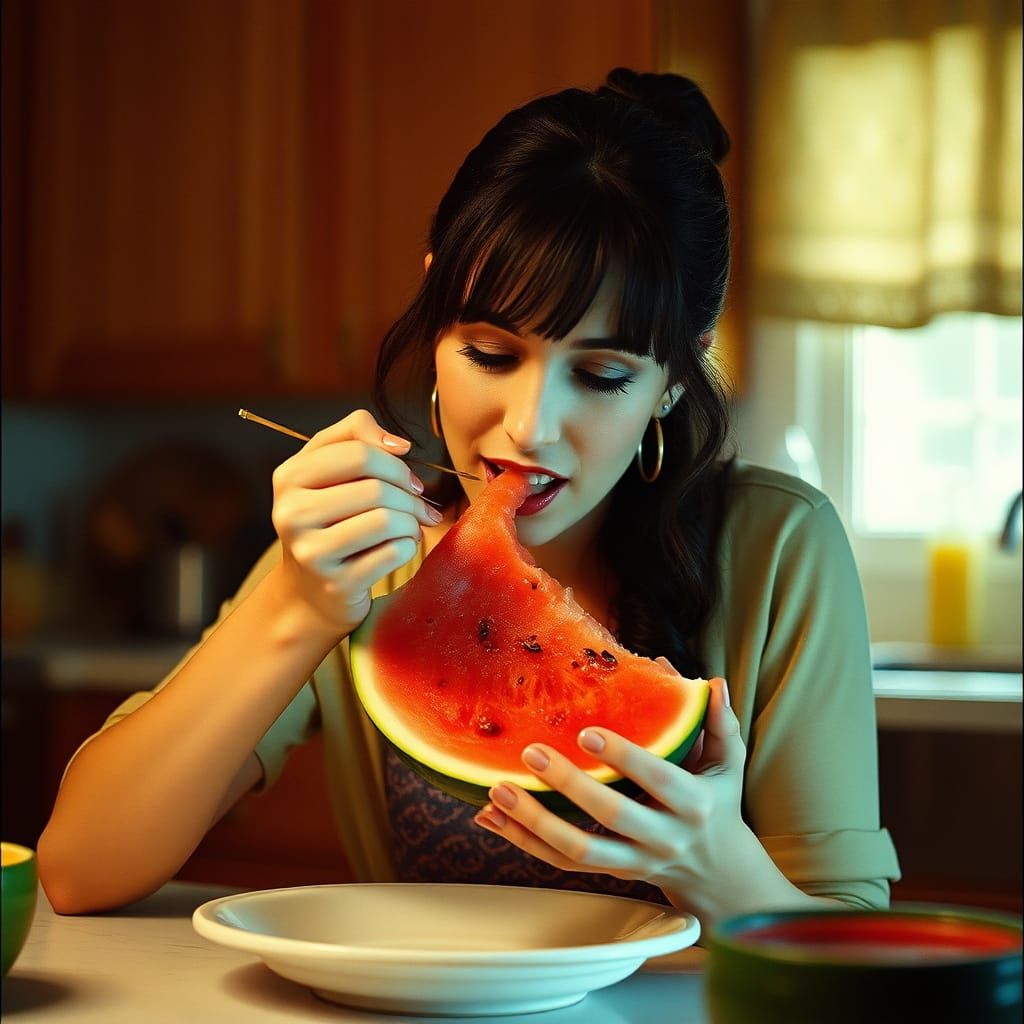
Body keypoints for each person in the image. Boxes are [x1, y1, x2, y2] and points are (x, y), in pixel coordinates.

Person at [37, 68, 900, 923]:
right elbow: (79, 870)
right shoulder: (361, 546)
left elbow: (847, 969)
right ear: (437, 312)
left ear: (677, 375)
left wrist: (719, 870)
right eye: (491, 354)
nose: (530, 426)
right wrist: (298, 607)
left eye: (600, 374)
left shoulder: (780, 547)